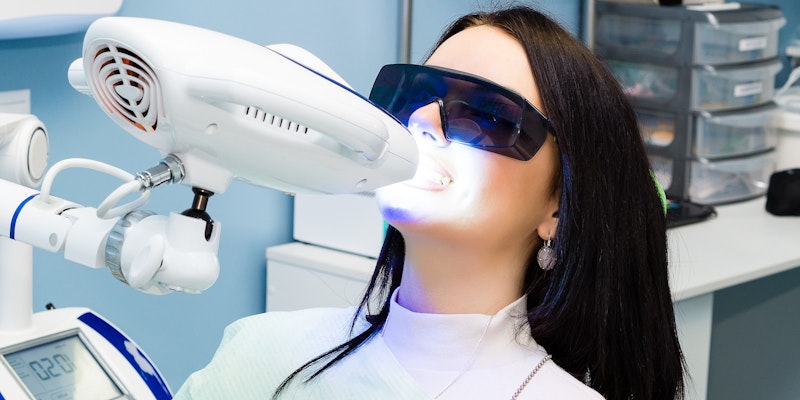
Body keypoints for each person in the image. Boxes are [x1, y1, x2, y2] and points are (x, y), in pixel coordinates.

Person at [175, 5, 684, 400]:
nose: (422, 122)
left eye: (487, 115)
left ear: (558, 208)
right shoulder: (260, 355)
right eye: (414, 96)